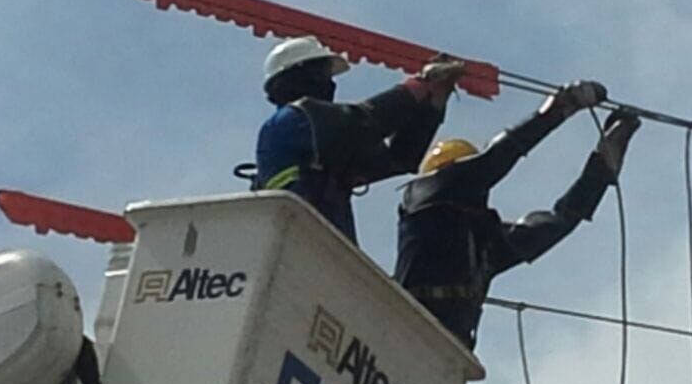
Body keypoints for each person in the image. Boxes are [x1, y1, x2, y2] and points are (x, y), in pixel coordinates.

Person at [394, 81, 639, 349]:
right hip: (409, 327)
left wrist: (602, 167)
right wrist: (557, 110)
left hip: (448, 346)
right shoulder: (423, 198)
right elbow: (495, 160)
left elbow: (560, 220)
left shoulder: (485, 244)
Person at [254, 35, 464, 243]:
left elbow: (398, 157)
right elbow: (365, 120)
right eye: (322, 73)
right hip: (299, 240)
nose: (329, 82)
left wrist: (434, 103)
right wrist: (421, 84)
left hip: (322, 246)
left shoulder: (326, 151)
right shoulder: (290, 122)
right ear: (300, 74)